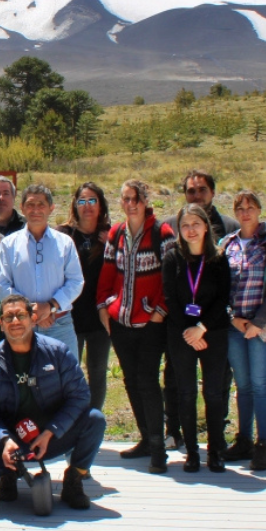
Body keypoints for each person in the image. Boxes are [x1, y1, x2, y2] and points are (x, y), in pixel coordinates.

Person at [0, 294, 105, 510]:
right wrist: (5, 440)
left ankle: (74, 479)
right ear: (1, 324)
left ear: (33, 318)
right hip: (13, 439)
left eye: (21, 315)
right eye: (9, 317)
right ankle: (9, 474)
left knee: (95, 420)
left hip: (51, 435)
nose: (15, 321)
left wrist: (50, 431)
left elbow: (80, 396)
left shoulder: (58, 352)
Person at [96, 179, 176, 473]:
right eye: (125, 199)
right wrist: (103, 306)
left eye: (135, 199)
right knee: (130, 381)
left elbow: (171, 276)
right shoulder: (116, 233)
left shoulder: (161, 233)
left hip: (151, 322)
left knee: (148, 382)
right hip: (120, 321)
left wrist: (160, 311)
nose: (130, 204)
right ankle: (145, 438)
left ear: (146, 200)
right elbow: (106, 274)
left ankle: (159, 449)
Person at [162, 205, 233, 473]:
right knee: (186, 393)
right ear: (179, 230)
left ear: (206, 226)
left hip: (213, 332)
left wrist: (201, 328)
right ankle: (191, 452)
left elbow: (223, 299)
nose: (190, 230)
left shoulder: (219, 259)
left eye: (196, 224)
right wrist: (190, 333)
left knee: (214, 393)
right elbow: (171, 298)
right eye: (185, 225)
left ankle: (215, 450)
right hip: (181, 334)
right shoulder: (172, 258)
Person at [220, 190, 266, 471]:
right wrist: (232, 317)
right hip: (235, 325)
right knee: (242, 385)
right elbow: (220, 286)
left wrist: (258, 322)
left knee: (260, 384)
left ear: (259, 210)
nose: (245, 212)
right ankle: (243, 439)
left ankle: (262, 444)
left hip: (263, 325)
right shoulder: (226, 244)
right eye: (240, 207)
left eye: (250, 207)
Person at [0, 183, 84, 350]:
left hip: (59, 325)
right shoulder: (8, 244)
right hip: (21, 326)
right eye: (30, 204)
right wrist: (31, 312)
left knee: (66, 375)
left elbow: (76, 281)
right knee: (24, 376)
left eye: (41, 204)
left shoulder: (65, 243)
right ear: (22, 208)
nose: (35, 210)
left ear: (51, 208)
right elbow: (2, 285)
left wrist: (50, 306)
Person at [61, 182, 112, 414]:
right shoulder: (63, 235)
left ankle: (93, 420)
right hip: (70, 316)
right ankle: (72, 420)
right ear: (75, 205)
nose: (87, 206)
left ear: (100, 205)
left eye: (92, 200)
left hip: (101, 317)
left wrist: (112, 243)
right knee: (71, 371)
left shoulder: (111, 235)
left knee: (98, 370)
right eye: (82, 201)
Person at [181, 169, 237, 239]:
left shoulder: (231, 229)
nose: (197, 196)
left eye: (202, 190)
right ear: (185, 195)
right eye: (191, 191)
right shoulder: (171, 227)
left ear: (212, 192)